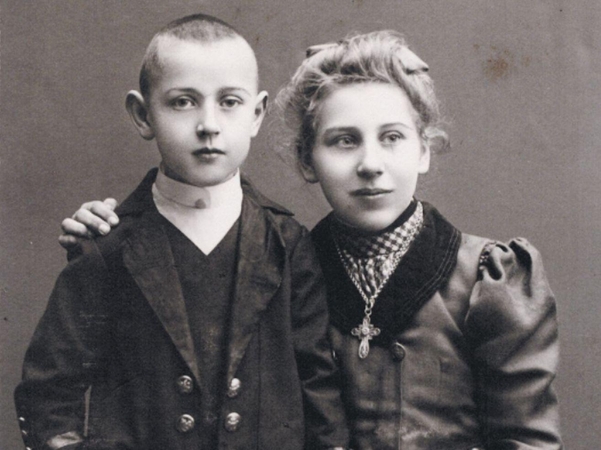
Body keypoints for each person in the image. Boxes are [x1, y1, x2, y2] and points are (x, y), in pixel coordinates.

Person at [59, 30, 562, 449]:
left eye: (392, 137)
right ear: (306, 161)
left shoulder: (489, 278)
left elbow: (528, 440)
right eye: (344, 140)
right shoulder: (281, 260)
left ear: (424, 150)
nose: (370, 164)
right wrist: (105, 234)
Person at [15, 14, 350, 450]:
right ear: (143, 115)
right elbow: (49, 396)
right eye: (183, 102)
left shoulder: (287, 243)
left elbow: (319, 390)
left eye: (229, 101)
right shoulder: (108, 247)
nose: (208, 124)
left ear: (256, 114)